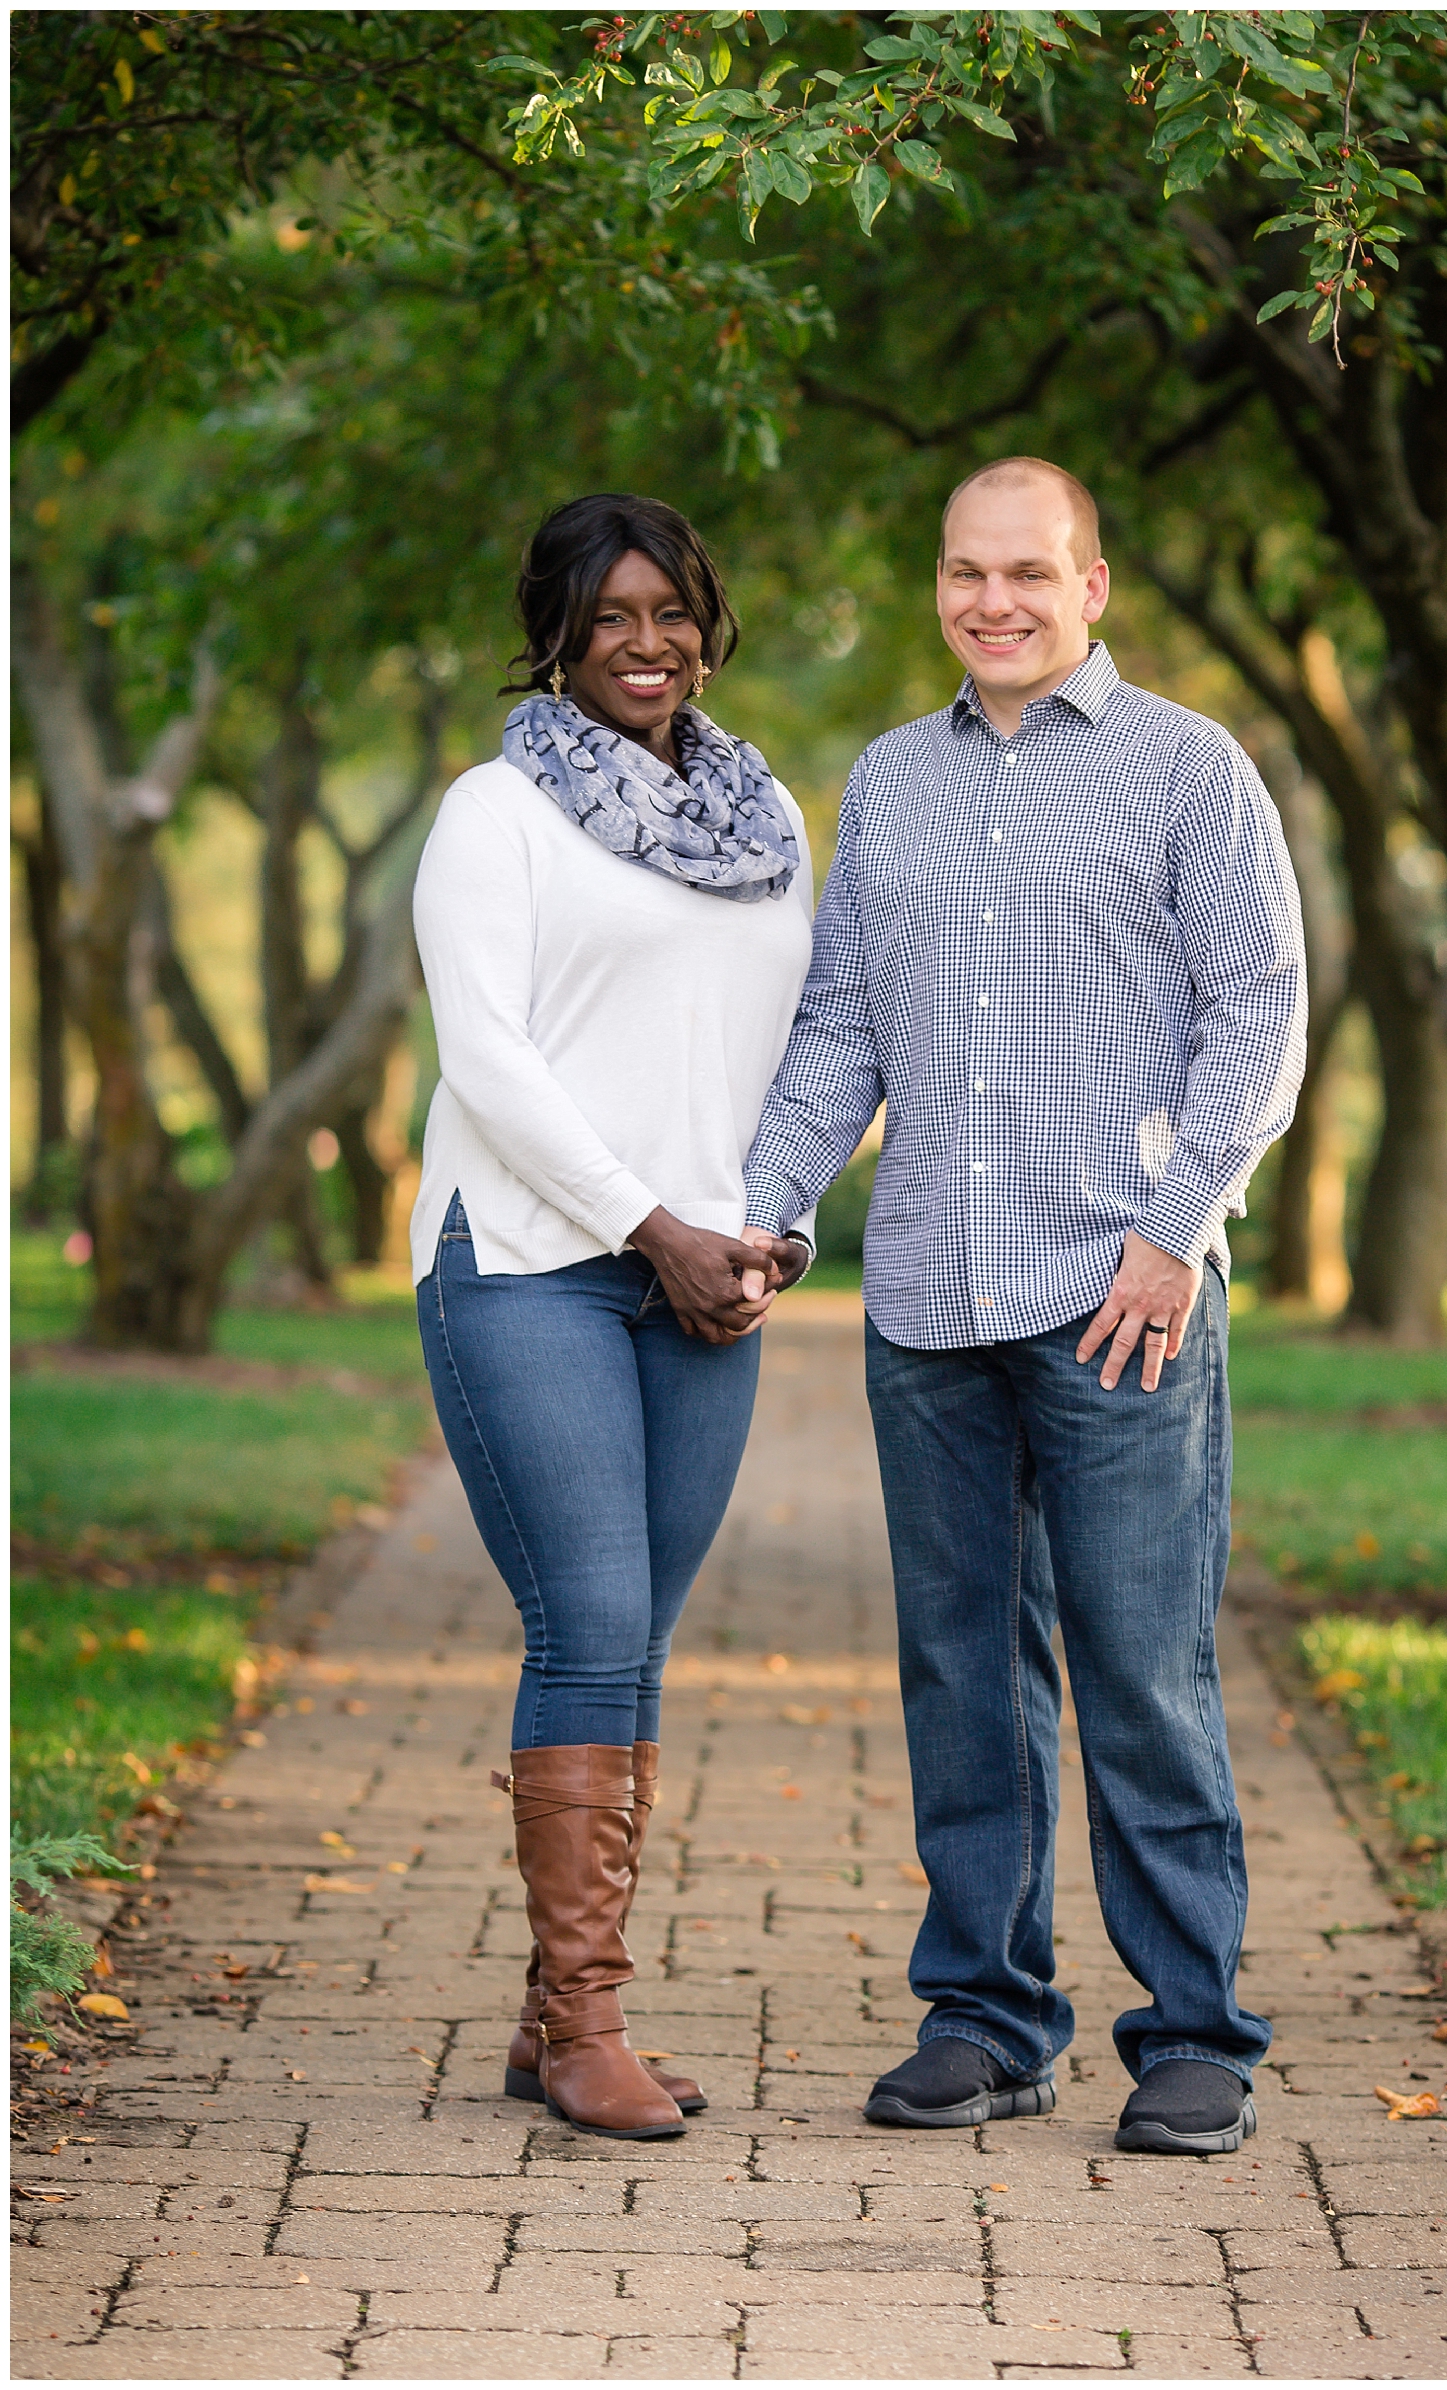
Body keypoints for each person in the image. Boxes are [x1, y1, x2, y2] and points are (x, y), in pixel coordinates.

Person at [740, 457, 1306, 2155]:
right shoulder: (893, 780)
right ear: (938, 585)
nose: (996, 601)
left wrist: (1174, 1228)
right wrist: (765, 1202)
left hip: (1121, 1291)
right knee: (963, 1669)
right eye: (966, 573)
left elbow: (1259, 1013)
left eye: (1029, 573)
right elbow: (843, 1019)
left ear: (1093, 585)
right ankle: (987, 2017)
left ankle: (1193, 2029)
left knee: (1144, 1668)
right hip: (927, 1295)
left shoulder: (1190, 770)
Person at [411, 494, 813, 2142]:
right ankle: (586, 2024)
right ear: (557, 634)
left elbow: (806, 1031)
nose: (647, 642)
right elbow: (487, 1060)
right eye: (610, 614)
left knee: (635, 1635)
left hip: (705, 1283)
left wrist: (764, 1225)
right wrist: (647, 1222)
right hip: (530, 1259)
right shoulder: (493, 814)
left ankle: (545, 2022)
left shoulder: (767, 814)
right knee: (586, 1617)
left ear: (708, 624)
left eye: (673, 611)